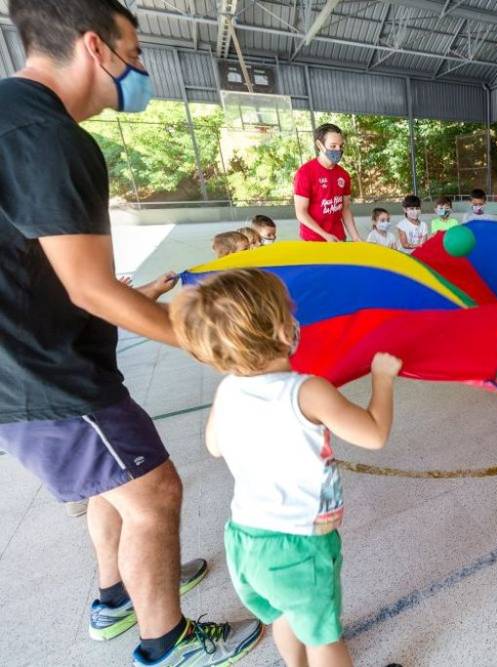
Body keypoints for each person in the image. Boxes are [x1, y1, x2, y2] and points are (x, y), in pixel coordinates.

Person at [0, 1, 262, 664]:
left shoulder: (12, 115)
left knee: (110, 486)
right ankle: (165, 641)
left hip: (32, 358)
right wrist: (209, 342)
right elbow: (90, 286)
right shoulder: (49, 136)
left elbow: (52, 269)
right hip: (46, 374)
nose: (141, 68)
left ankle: (117, 597)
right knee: (155, 489)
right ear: (96, 46)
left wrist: (124, 298)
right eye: (135, 52)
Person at [170, 269, 402, 667]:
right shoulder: (308, 391)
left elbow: (213, 446)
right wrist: (382, 380)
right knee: (324, 637)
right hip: (299, 545)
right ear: (282, 330)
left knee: (284, 615)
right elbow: (374, 434)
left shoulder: (227, 390)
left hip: (246, 542)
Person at [293, 123, 362, 243]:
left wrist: (356, 238)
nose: (338, 150)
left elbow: (345, 209)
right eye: (333, 146)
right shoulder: (305, 173)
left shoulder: (343, 175)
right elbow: (301, 212)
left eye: (340, 146)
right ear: (320, 145)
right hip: (313, 240)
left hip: (338, 238)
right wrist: (325, 235)